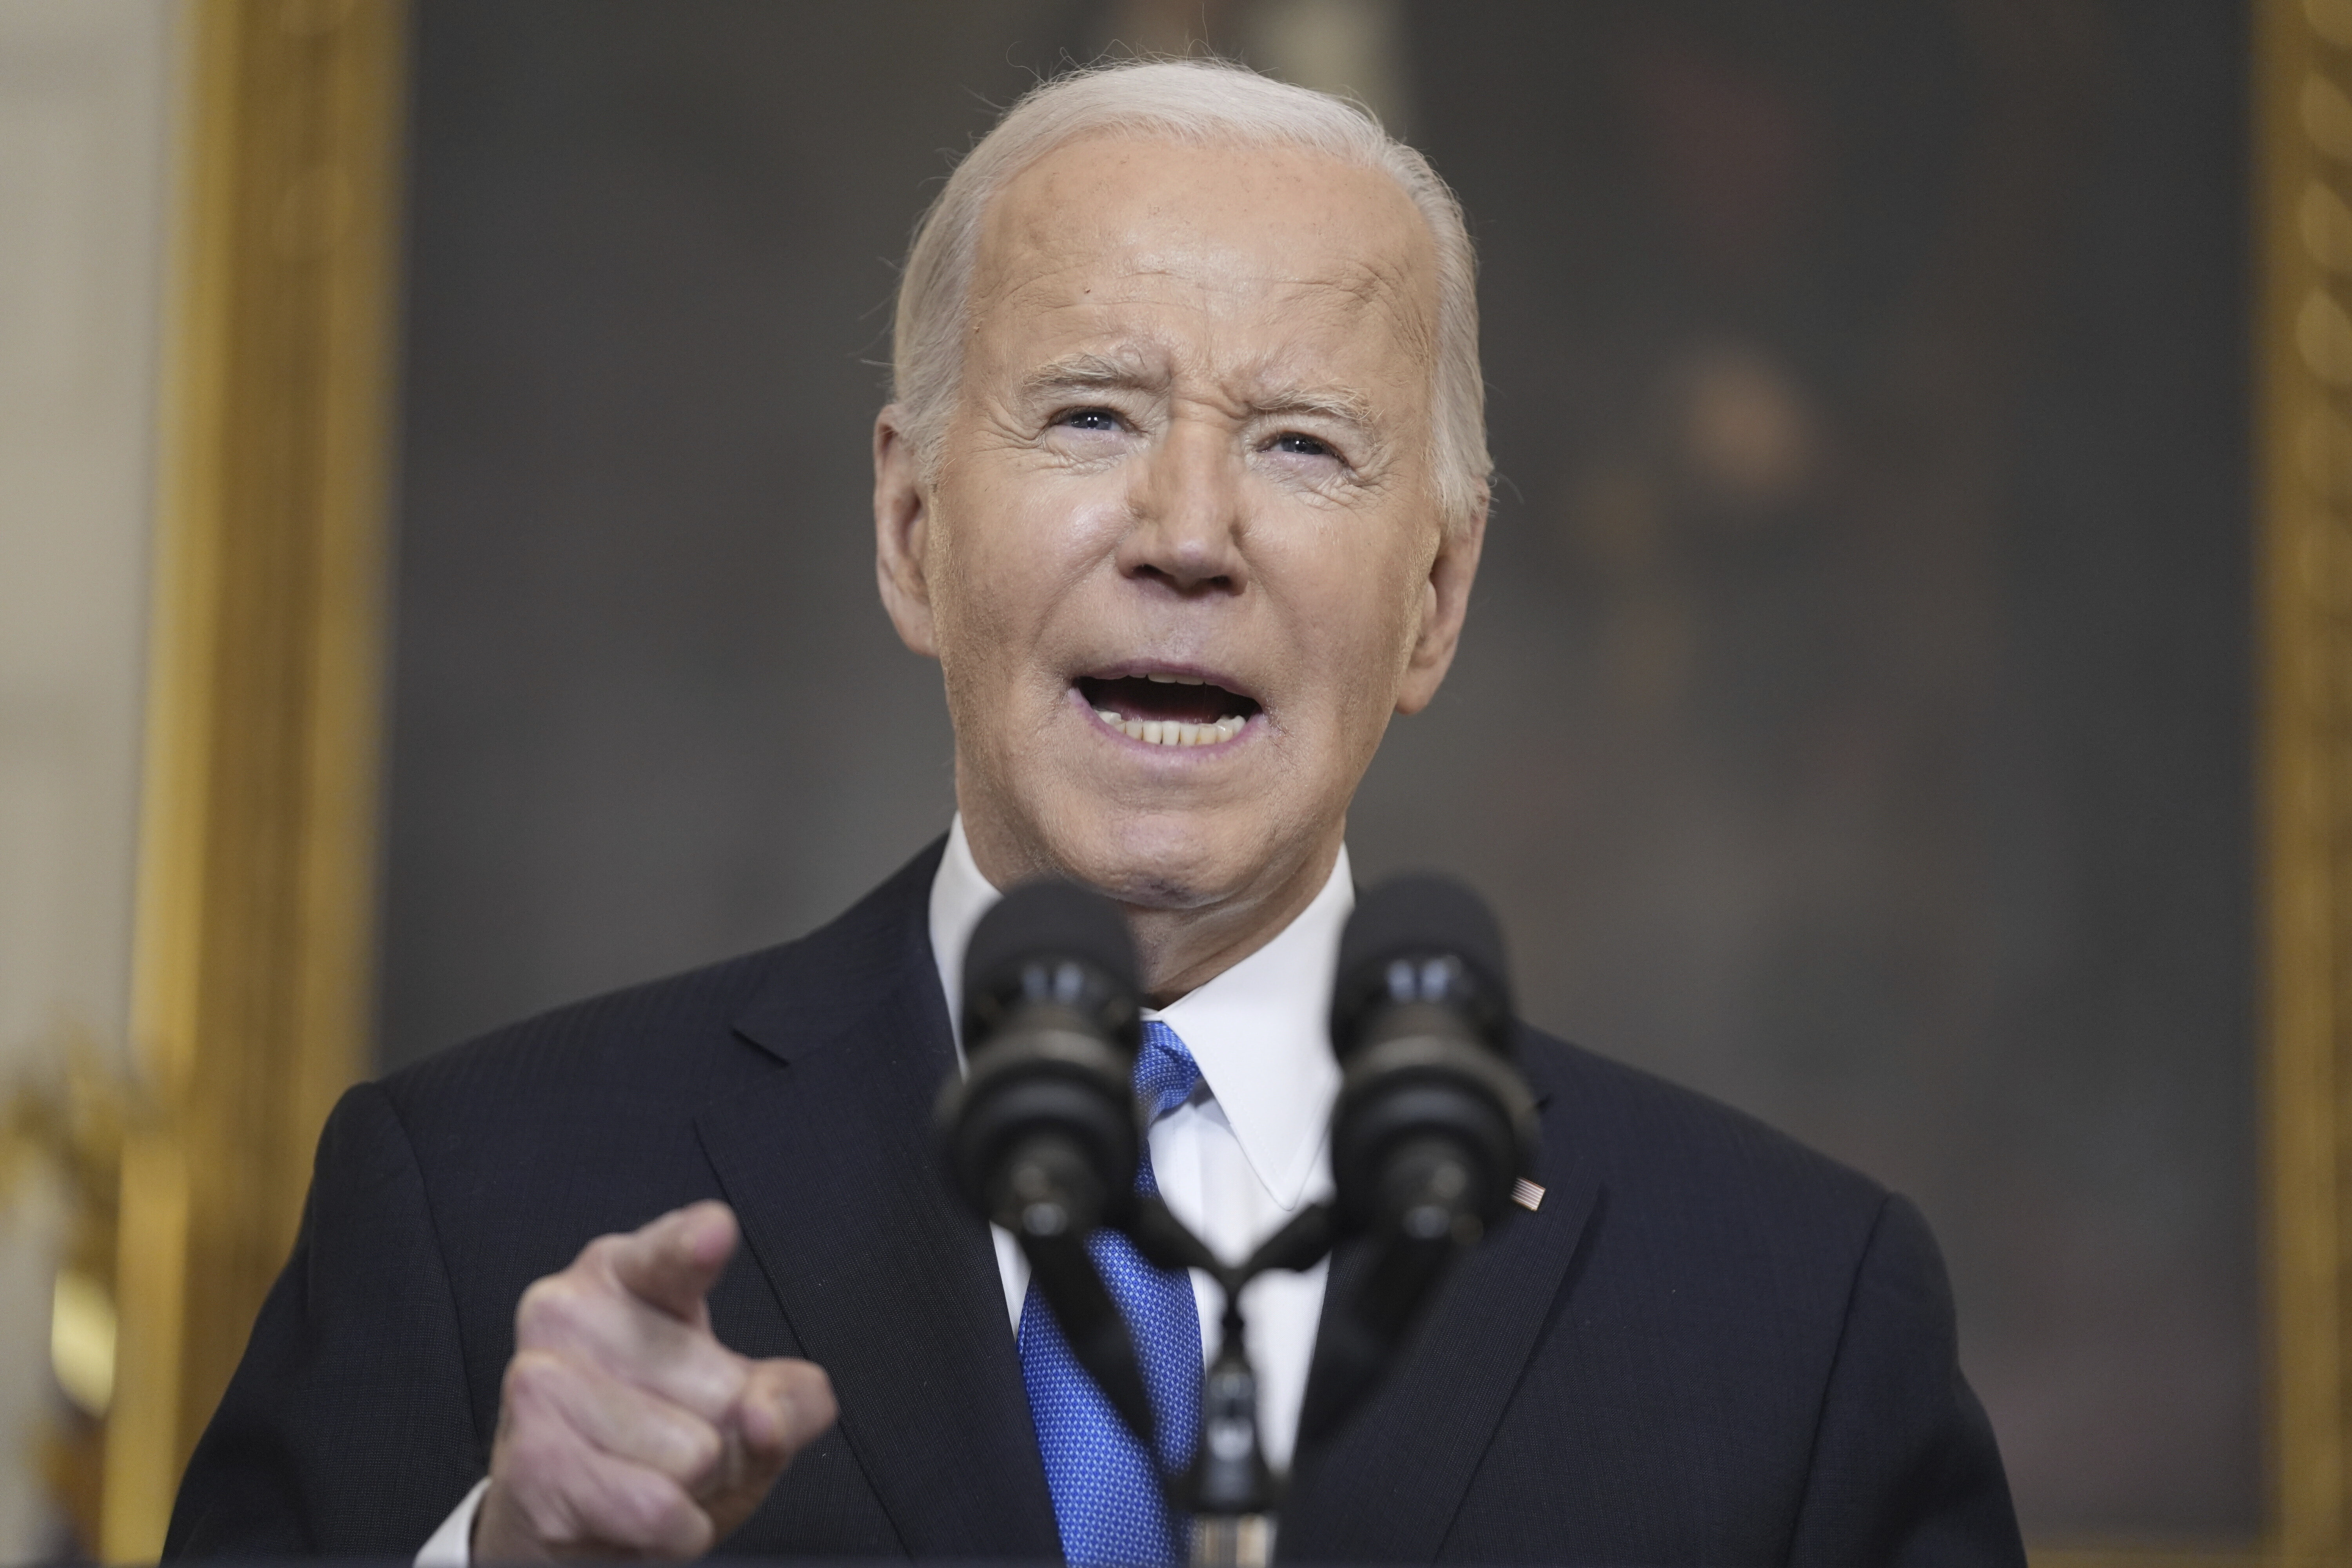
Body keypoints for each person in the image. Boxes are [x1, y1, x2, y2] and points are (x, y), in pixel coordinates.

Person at [165, 59, 2025, 1566]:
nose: (1190, 532)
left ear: (1436, 599)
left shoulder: (1791, 1312)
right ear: (912, 532)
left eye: (1302, 442)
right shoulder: (473, 1202)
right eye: (1089, 417)